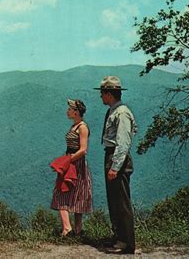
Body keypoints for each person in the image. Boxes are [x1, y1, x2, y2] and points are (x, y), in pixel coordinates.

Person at [94, 76, 137, 254]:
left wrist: (115, 166)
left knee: (121, 201)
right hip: (111, 156)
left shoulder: (122, 113)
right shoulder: (115, 111)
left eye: (102, 93)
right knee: (114, 200)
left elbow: (124, 143)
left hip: (116, 158)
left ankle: (126, 243)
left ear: (109, 94)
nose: (101, 97)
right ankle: (119, 237)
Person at [51, 99, 93, 236]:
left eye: (70, 109)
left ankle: (68, 228)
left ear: (76, 112)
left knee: (67, 192)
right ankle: (76, 230)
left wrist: (67, 161)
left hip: (76, 164)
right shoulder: (74, 126)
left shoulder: (82, 127)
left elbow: (83, 149)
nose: (67, 111)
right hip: (71, 162)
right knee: (73, 193)